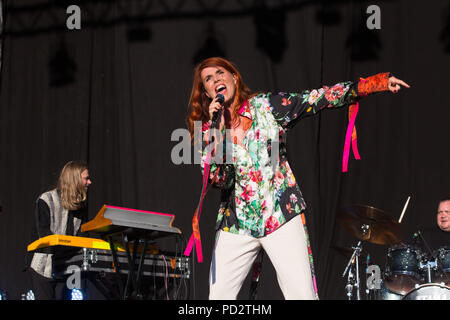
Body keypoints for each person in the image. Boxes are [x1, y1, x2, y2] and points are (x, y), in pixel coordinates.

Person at [185, 57, 409, 300]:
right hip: (236, 223)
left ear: (234, 78)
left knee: (301, 295)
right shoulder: (208, 131)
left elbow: (314, 99)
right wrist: (217, 135)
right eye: (208, 79)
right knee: (217, 298)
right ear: (206, 92)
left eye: (220, 73)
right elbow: (218, 180)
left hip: (280, 215)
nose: (216, 79)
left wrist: (369, 85)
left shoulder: (265, 106)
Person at [27, 160, 91, 299]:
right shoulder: (46, 199)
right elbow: (44, 236)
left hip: (66, 267)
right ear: (74, 179)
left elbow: (82, 237)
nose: (89, 182)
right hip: (43, 268)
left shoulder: (81, 206)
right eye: (86, 178)